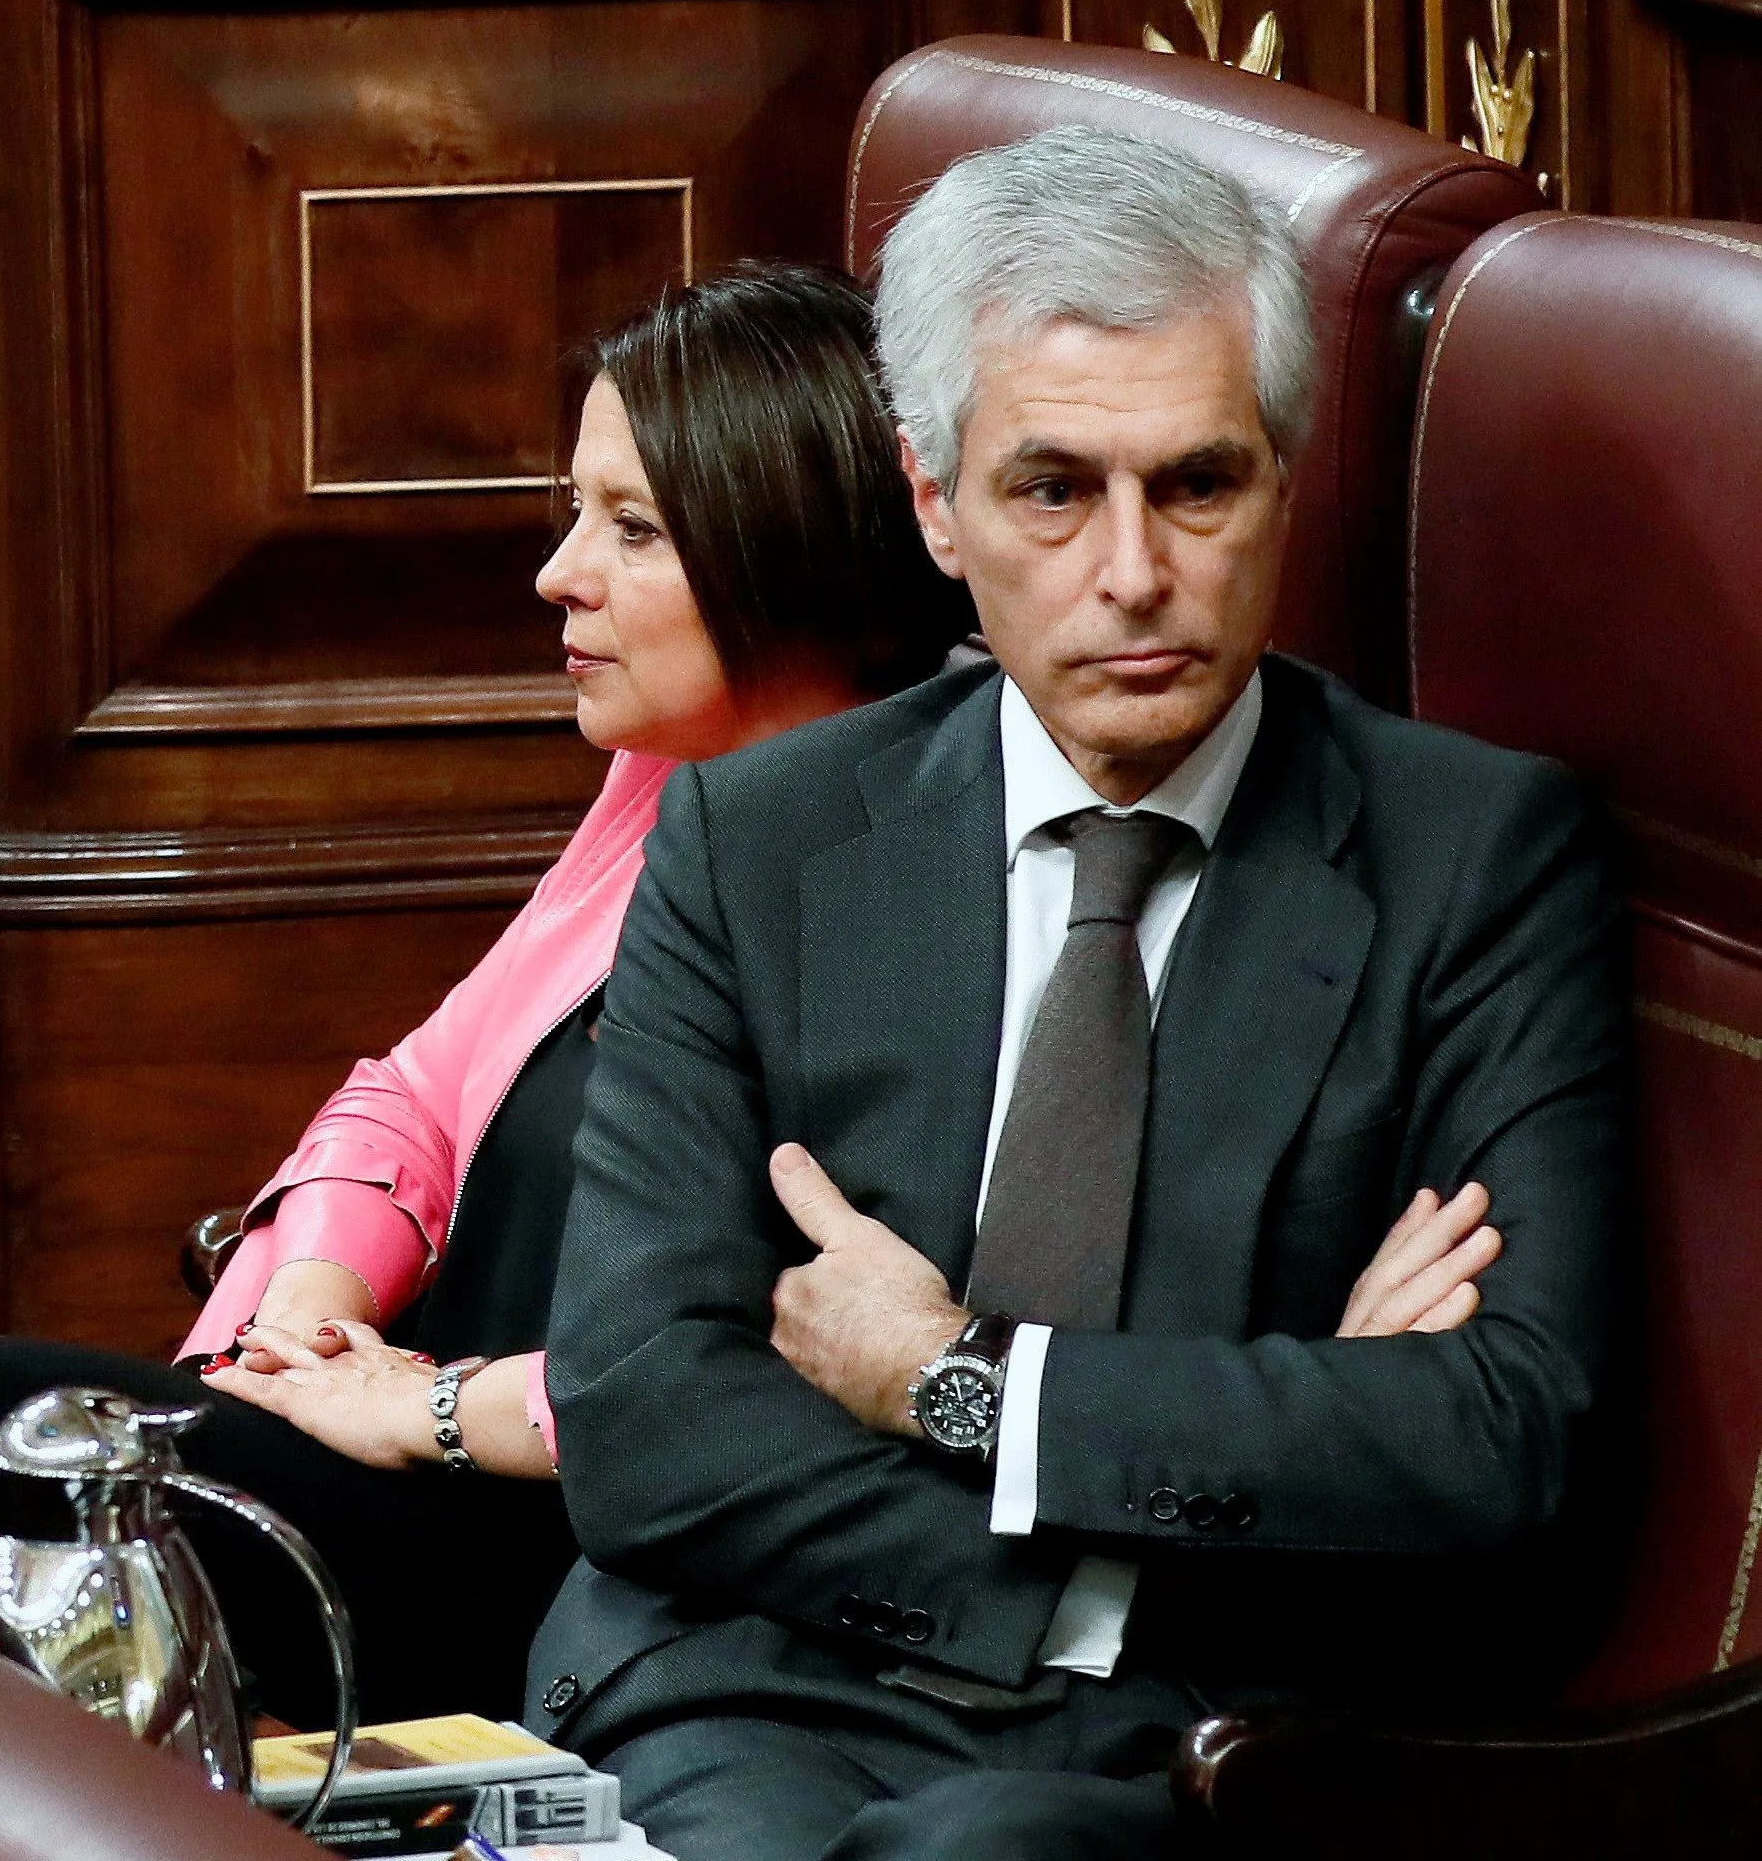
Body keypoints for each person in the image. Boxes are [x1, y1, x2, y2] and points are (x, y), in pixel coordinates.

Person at [535, 127, 1625, 1860]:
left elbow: (1493, 1437)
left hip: (1187, 1753)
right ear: (931, 504)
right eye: (1053, 490)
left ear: (1284, 475)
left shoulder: (1476, 857)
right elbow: (643, 1417)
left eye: (1197, 484)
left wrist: (954, 1378)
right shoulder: (761, 834)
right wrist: (1197, 1475)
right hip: (749, 1688)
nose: (1133, 573)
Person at [0, 263, 980, 1725]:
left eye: (631, 529)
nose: (557, 573)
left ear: (789, 554)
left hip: (589, 1548)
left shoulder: (897, 882)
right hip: (404, 1428)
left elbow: (754, 1372)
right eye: (575, 508)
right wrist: (304, 1318)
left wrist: (424, 1410)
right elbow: (413, 1091)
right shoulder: (665, 775)